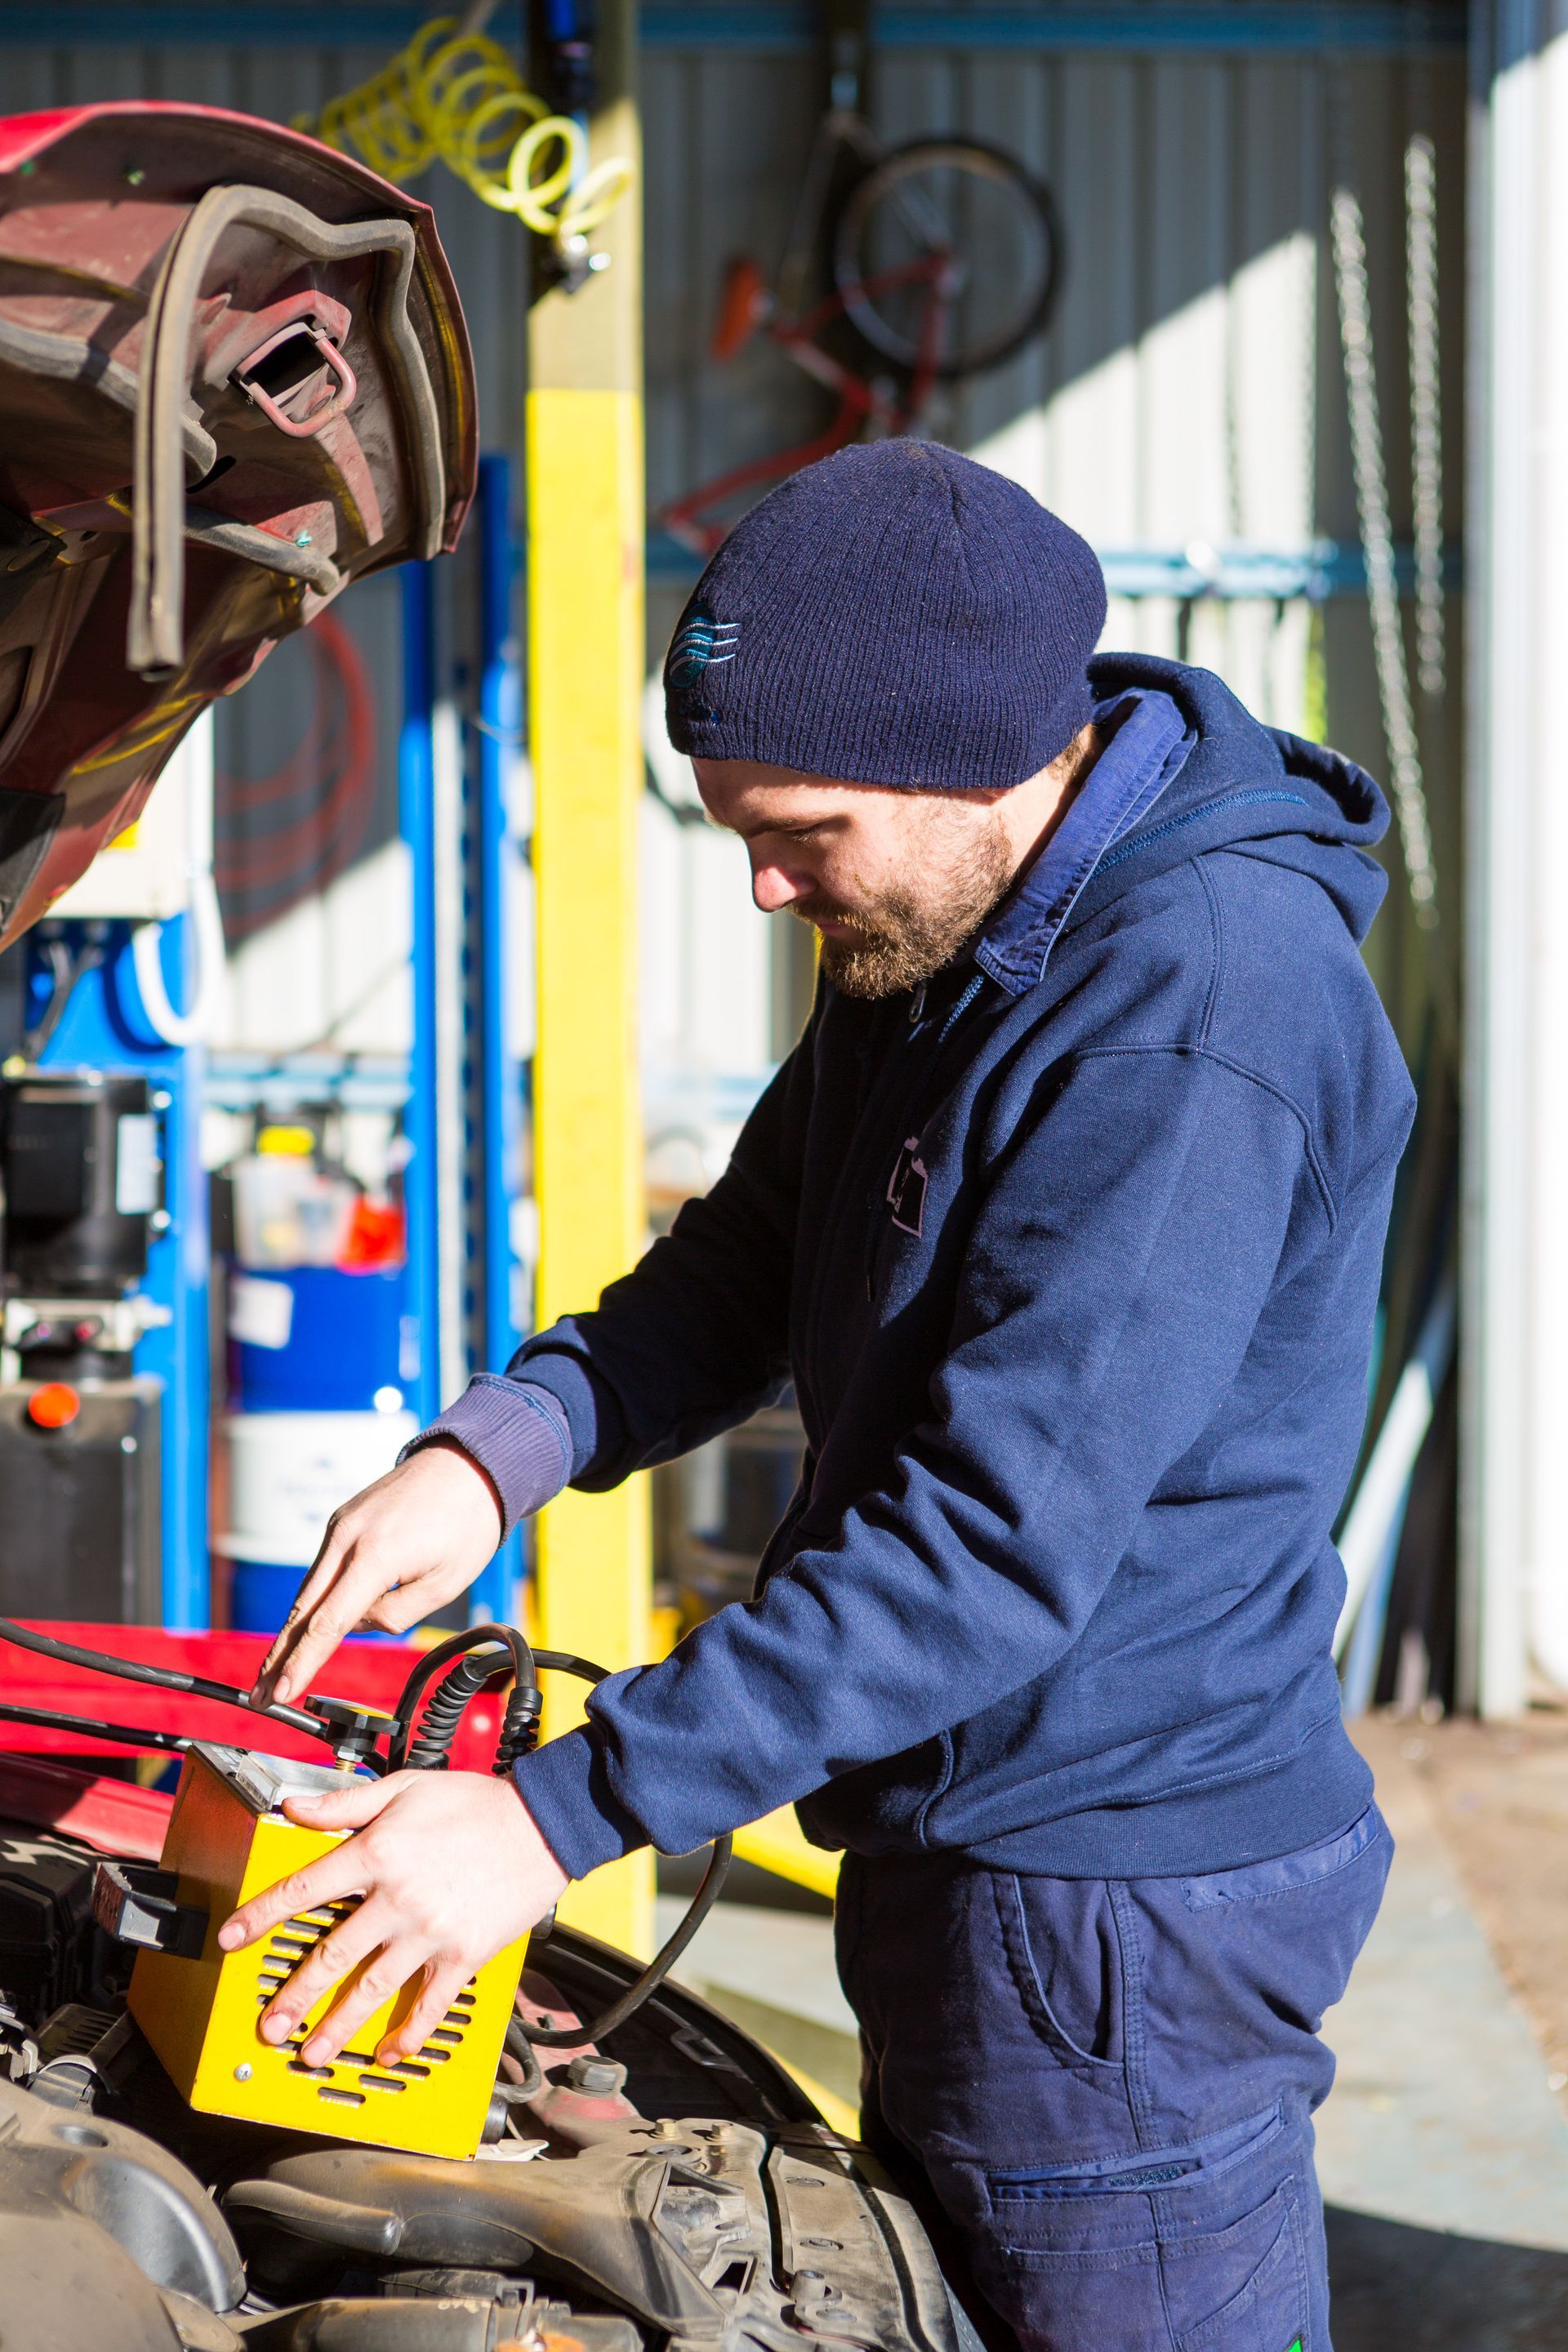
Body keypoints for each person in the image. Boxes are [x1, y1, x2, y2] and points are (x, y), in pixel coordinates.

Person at [228, 440, 1412, 2352]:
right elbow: (752, 1255)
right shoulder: (941, 924)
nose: (771, 885)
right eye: (737, 831)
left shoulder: (1194, 1011)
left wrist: (553, 1820)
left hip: (1110, 1914)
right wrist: (500, 1450)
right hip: (974, 1855)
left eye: (803, 832)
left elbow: (980, 1550)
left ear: (975, 765)